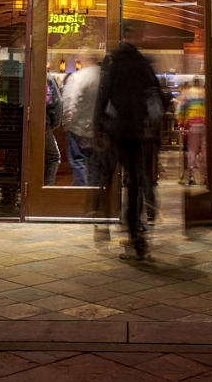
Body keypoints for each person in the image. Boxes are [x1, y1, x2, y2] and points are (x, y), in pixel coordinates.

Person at [94, 41, 170, 261]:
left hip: (117, 131)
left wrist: (99, 125)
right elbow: (158, 95)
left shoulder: (115, 64)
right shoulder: (141, 64)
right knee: (135, 182)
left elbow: (103, 96)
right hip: (137, 133)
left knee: (107, 176)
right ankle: (136, 235)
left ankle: (103, 221)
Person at [58, 55, 102, 186]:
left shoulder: (77, 77)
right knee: (96, 163)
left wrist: (66, 124)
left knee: (78, 161)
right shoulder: (104, 76)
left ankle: (81, 192)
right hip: (99, 129)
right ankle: (93, 192)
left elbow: (69, 102)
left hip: (78, 128)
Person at [176, 79, 208, 186]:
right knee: (205, 150)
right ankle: (206, 175)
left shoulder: (188, 94)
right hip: (205, 125)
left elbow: (181, 110)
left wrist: (181, 124)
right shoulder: (205, 93)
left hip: (192, 125)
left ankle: (191, 175)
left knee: (192, 150)